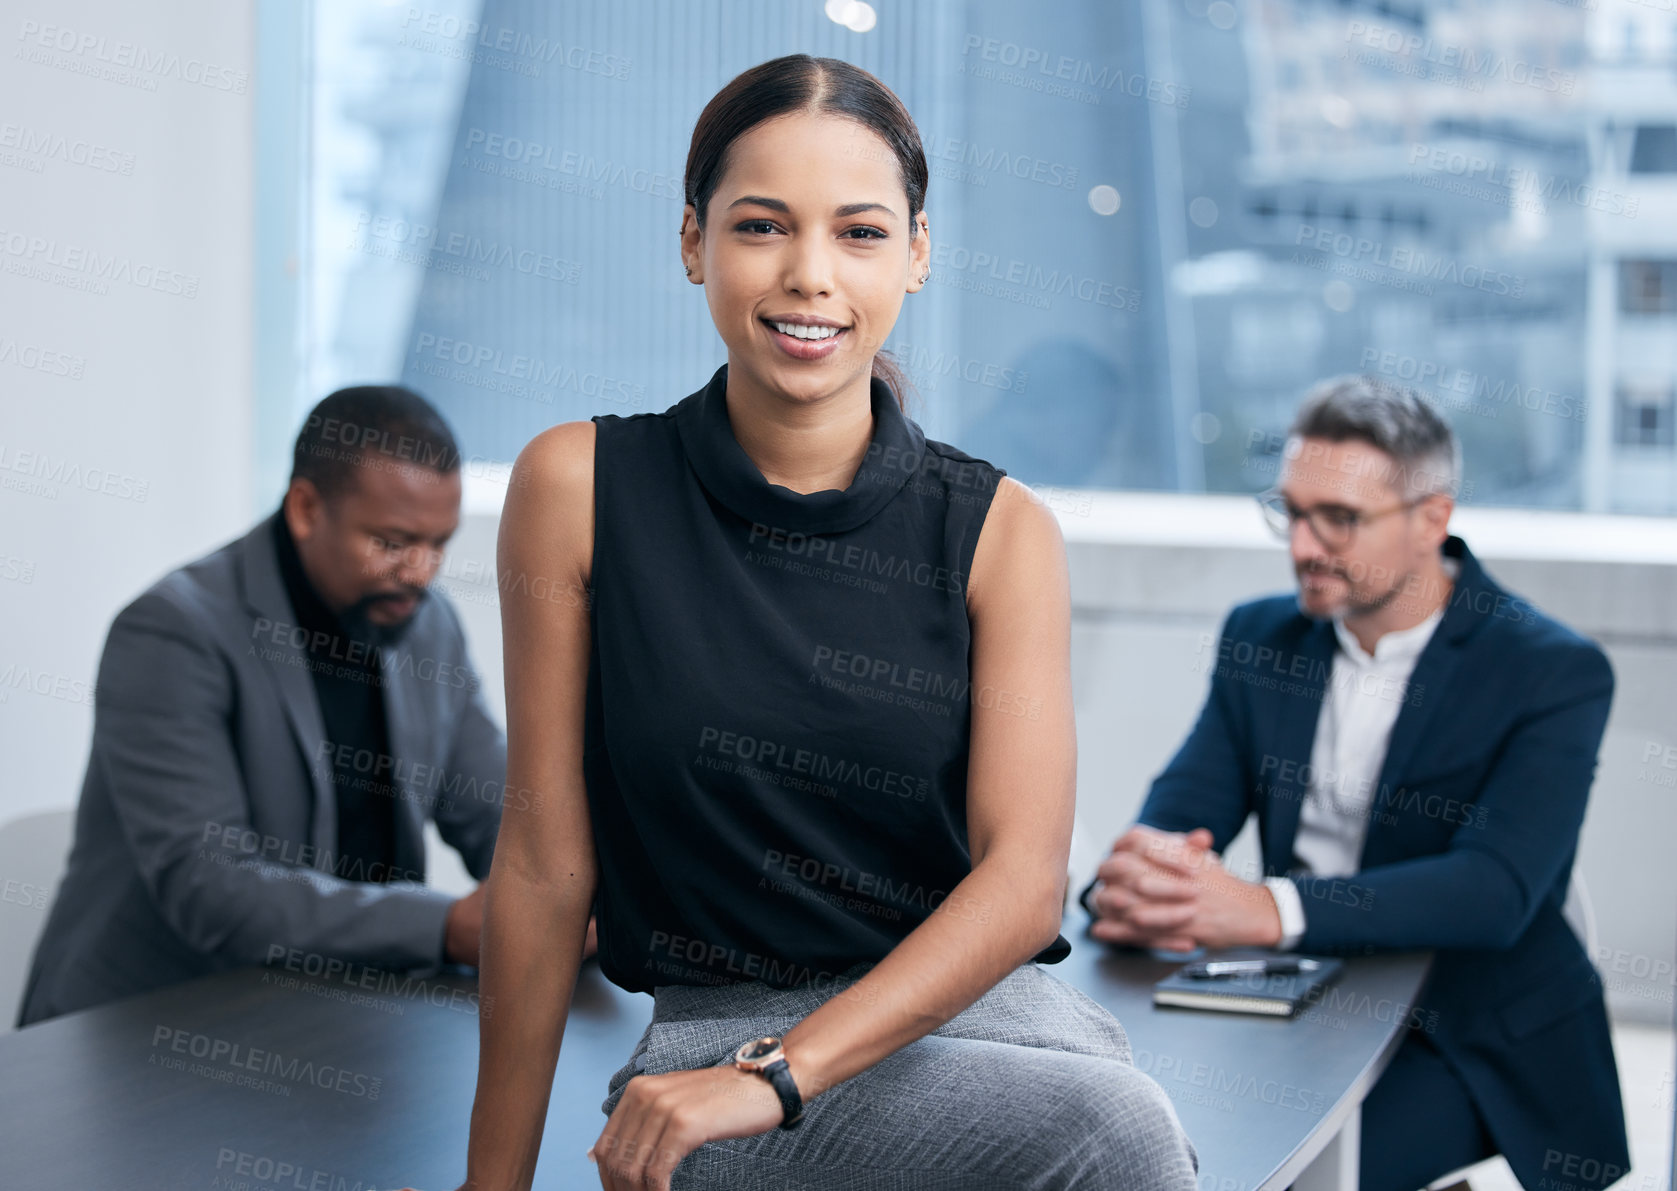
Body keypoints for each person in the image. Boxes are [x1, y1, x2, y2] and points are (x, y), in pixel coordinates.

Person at [438, 54, 1199, 1191]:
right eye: (760, 227)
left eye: (859, 233)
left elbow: (1022, 882)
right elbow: (546, 866)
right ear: (693, 242)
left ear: (917, 254)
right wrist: (488, 1188)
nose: (810, 277)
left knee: (1122, 1129)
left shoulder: (1001, 530)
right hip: (712, 1050)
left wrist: (786, 1072)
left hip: (983, 1033)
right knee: (1123, 1136)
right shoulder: (577, 489)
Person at [1077, 376, 1631, 1191]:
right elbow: (1183, 811)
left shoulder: (1549, 670)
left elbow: (1494, 889)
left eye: (1338, 518)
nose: (1303, 545)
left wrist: (1266, 907)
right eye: (1291, 512)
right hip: (1292, 1002)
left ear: (1431, 520)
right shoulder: (1261, 636)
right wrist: (1140, 876)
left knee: (1287, 1176)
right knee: (1139, 1148)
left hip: (1465, 1028)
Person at [15, 386, 587, 1026]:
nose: (421, 572)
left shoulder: (425, 625)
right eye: (393, 542)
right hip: (142, 1030)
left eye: (439, 543)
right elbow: (210, 889)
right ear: (307, 508)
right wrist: (446, 925)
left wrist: (569, 890)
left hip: (339, 1017)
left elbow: (495, 811)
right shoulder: (171, 633)